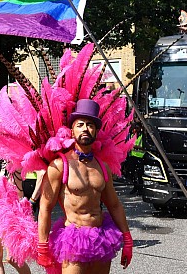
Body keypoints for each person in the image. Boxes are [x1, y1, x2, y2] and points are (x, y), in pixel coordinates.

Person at [38, 99, 133, 273]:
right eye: (80, 124)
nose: (85, 129)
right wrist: (42, 245)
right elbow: (45, 207)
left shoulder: (103, 167)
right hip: (73, 239)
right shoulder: (59, 165)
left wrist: (127, 238)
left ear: (96, 130)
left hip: (101, 237)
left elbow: (114, 205)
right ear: (72, 130)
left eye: (90, 125)